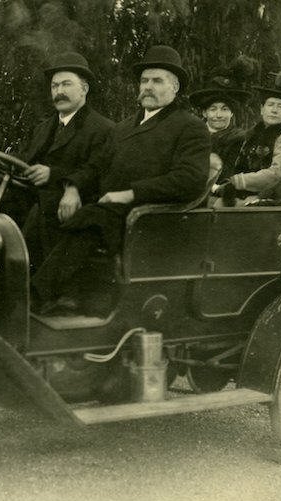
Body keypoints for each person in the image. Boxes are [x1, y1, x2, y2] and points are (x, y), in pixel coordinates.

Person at [31, 45, 210, 316]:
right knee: (51, 205)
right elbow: (95, 166)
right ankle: (63, 297)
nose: (148, 87)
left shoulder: (189, 126)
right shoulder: (124, 127)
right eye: (144, 80)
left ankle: (39, 295)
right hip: (111, 209)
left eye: (157, 81)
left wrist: (129, 194)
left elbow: (190, 180)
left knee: (89, 218)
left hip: (151, 218)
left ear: (174, 88)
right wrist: (72, 187)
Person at [0, 52, 115, 271]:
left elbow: (98, 172)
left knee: (39, 213)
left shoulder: (102, 129)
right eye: (54, 86)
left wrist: (54, 175)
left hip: (74, 205)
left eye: (66, 84)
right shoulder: (43, 128)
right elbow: (25, 158)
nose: (59, 92)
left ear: (84, 89)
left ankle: (39, 289)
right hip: (34, 202)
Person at [214, 79, 281, 204]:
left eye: (280, 107)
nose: (274, 110)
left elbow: (277, 174)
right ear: (262, 109)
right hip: (243, 193)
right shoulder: (253, 134)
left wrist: (237, 181)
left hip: (270, 196)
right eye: (270, 105)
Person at [189, 73, 251, 182]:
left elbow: (229, 173)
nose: (219, 115)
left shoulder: (239, 139)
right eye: (213, 109)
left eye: (225, 109)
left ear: (232, 113)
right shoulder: (190, 135)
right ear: (204, 113)